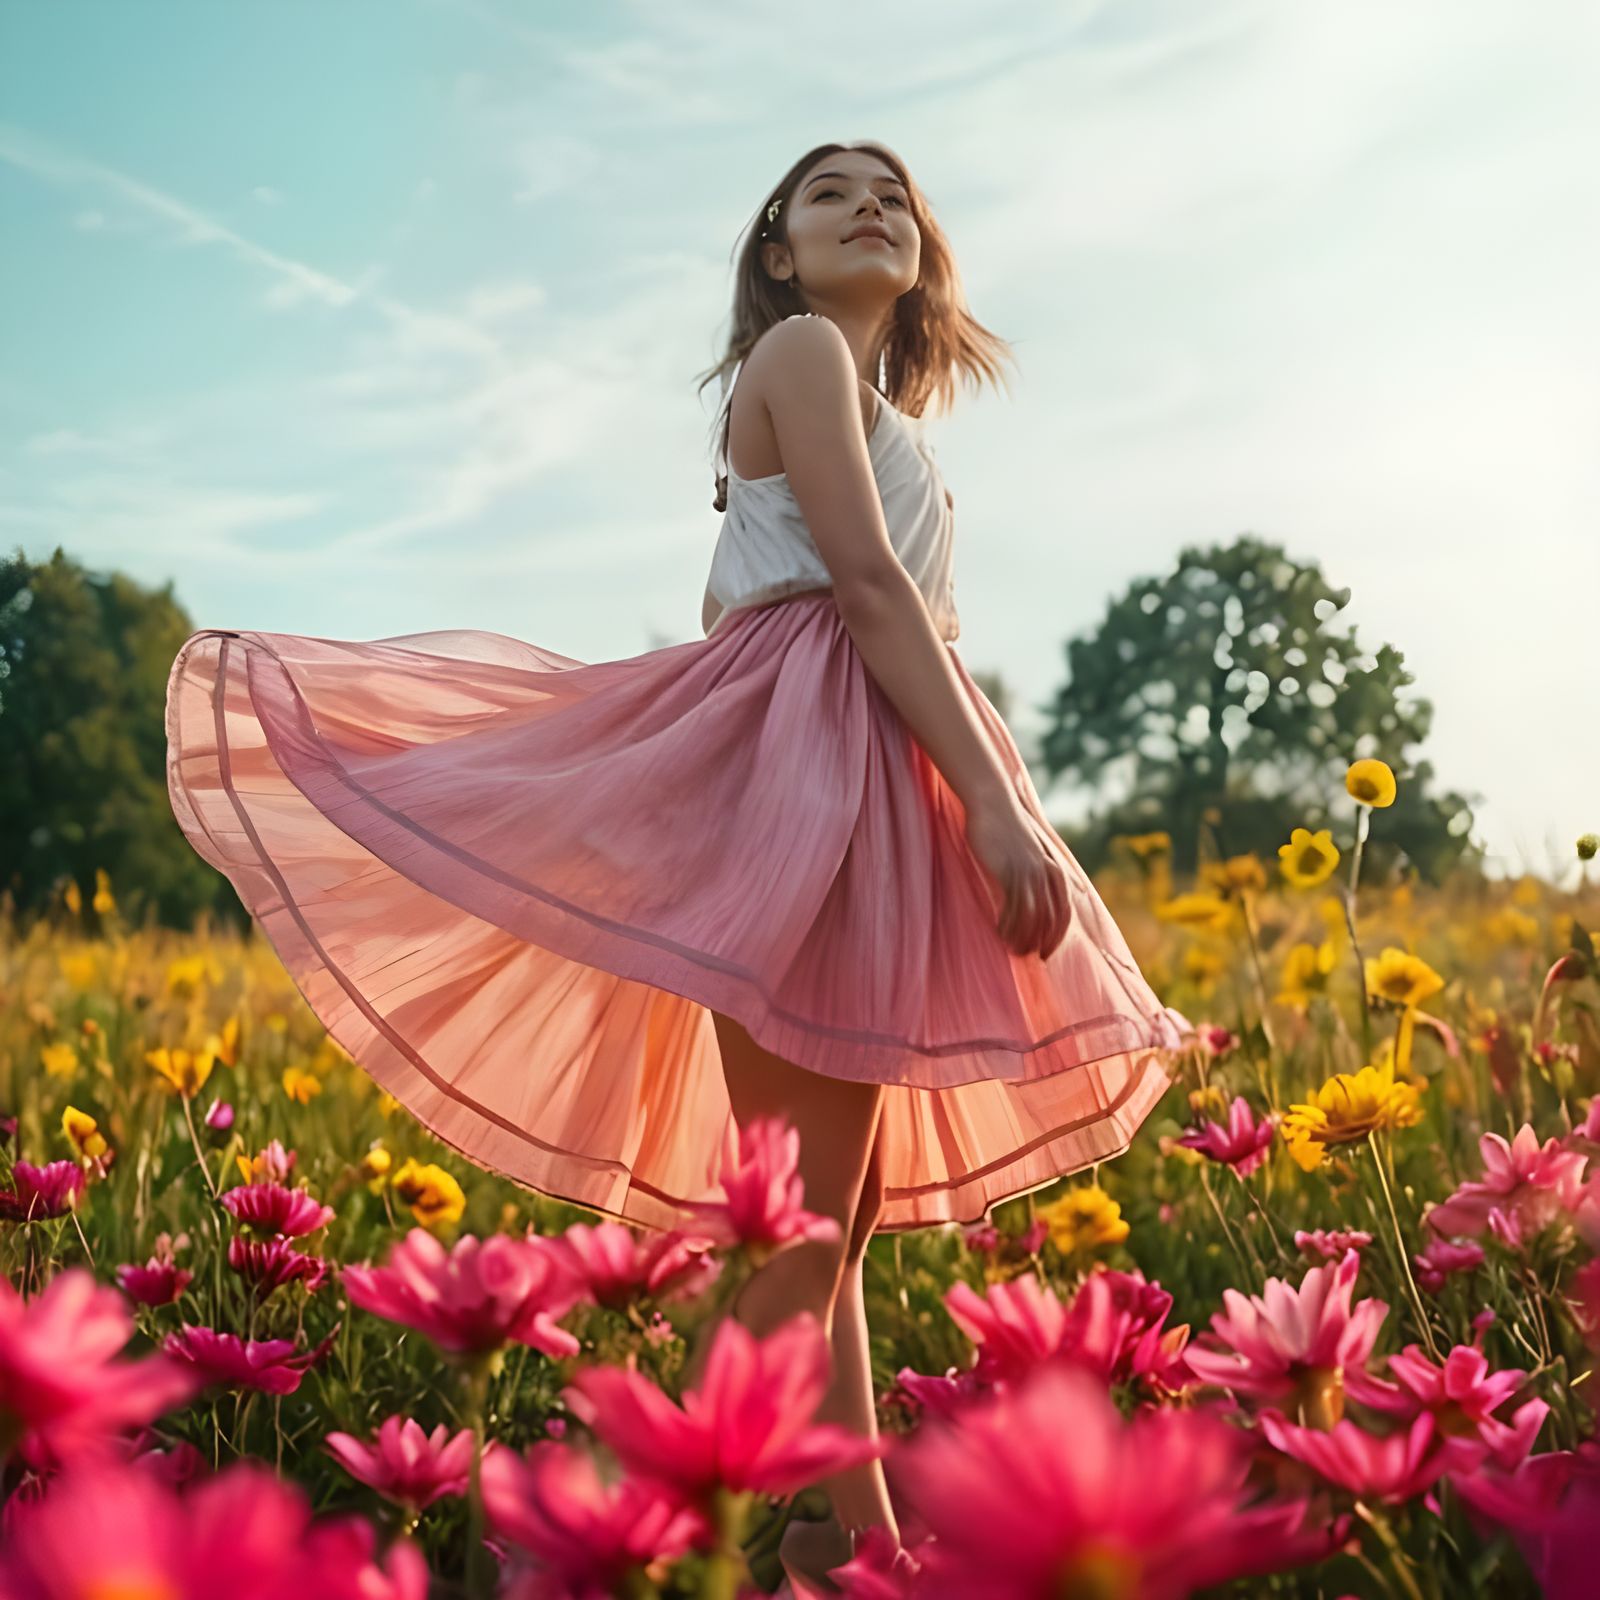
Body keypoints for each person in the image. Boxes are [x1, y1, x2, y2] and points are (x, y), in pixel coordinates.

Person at [164, 140, 1190, 1591]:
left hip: (870, 760)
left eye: (894, 194)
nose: (870, 207)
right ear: (776, 255)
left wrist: (966, 787)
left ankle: (842, 1548)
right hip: (807, 762)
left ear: (927, 253)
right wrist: (996, 803)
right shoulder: (796, 361)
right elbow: (870, 588)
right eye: (827, 195)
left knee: (823, 1231)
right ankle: (673, 1535)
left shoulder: (882, 408)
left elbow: (902, 605)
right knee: (802, 1226)